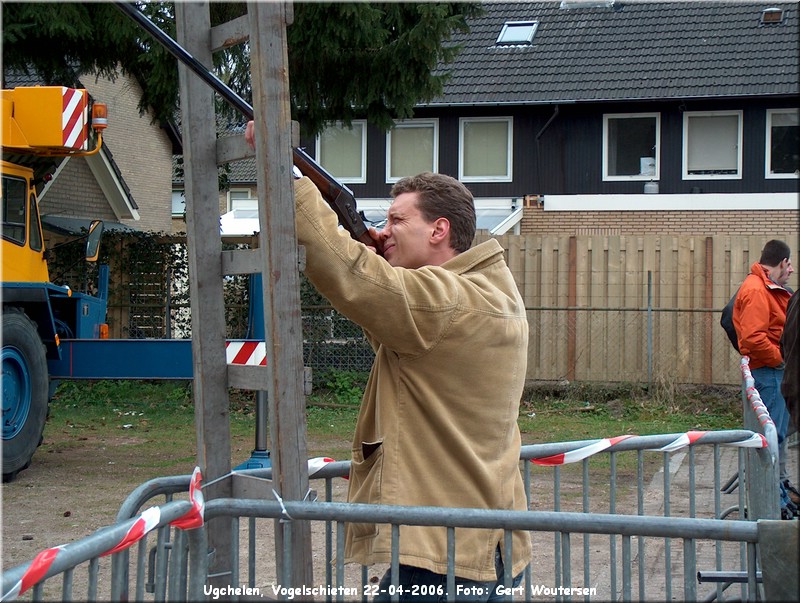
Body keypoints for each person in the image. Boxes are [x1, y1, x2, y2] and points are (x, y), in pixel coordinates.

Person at [246, 123, 531, 600]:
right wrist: (383, 256)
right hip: (474, 538)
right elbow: (383, 305)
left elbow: (352, 276)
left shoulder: (448, 302)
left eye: (398, 221)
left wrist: (286, 177)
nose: (384, 230)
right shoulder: (484, 291)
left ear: (439, 229)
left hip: (446, 552)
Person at [733, 239, 797, 518]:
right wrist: (782, 359)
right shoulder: (758, 290)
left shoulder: (764, 287)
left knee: (776, 437)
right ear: (781, 263)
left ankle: (779, 496)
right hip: (769, 373)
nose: (792, 270)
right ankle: (775, 502)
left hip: (770, 371)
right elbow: (754, 339)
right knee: (773, 437)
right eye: (790, 264)